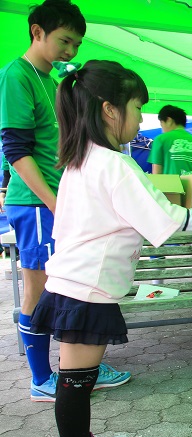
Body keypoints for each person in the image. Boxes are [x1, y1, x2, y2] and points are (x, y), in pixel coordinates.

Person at [30, 60, 192, 437]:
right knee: (76, 382)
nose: (139, 119)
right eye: (136, 108)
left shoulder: (81, 161)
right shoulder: (114, 165)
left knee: (78, 380)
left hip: (75, 284)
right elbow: (169, 219)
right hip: (87, 289)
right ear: (109, 109)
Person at [0, 0, 131, 402]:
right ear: (37, 32)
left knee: (77, 287)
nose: (71, 51)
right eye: (65, 40)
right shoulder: (17, 75)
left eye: (77, 44)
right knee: (40, 290)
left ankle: (79, 365)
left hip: (63, 203)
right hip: (39, 204)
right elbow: (15, 149)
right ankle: (42, 378)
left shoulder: (56, 79)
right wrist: (55, 203)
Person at [148, 104, 192, 175]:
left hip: (172, 182)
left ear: (168, 120)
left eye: (161, 123)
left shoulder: (160, 140)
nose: (162, 129)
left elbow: (157, 174)